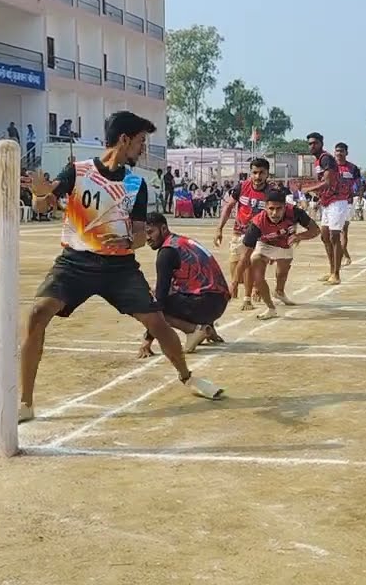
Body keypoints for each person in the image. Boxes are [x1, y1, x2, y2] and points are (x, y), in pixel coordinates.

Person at [19, 111, 222, 422]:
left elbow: (141, 234)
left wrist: (127, 243)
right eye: (141, 141)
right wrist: (38, 191)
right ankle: (26, 403)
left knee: (157, 323)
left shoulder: (136, 183)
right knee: (37, 313)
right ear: (125, 139)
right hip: (75, 262)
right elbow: (43, 206)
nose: (143, 148)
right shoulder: (78, 171)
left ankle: (187, 377)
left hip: (120, 269)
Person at [138, 213, 230, 357]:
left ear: (163, 229)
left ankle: (193, 330)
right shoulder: (181, 241)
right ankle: (208, 328)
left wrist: (148, 339)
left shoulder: (166, 253)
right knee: (171, 289)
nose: (147, 238)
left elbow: (160, 299)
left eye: (150, 232)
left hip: (205, 305)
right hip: (220, 303)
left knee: (152, 302)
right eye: (144, 234)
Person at [239, 189, 320, 320]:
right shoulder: (257, 223)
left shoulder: (295, 212)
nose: (275, 213)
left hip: (284, 243)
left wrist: (299, 236)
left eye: (279, 209)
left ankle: (279, 292)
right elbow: (245, 257)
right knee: (256, 267)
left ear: (285, 206)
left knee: (282, 272)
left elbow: (315, 230)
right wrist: (234, 283)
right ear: (265, 207)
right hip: (265, 244)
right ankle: (270, 308)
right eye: (271, 208)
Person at [214, 157, 277, 310]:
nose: (257, 176)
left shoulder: (271, 192)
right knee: (237, 270)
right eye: (254, 172)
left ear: (267, 174)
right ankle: (256, 283)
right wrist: (219, 228)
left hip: (258, 236)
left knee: (247, 262)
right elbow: (229, 207)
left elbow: (276, 217)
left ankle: (247, 298)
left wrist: (274, 244)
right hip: (238, 231)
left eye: (261, 173)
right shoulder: (241, 187)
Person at [301, 131, 349, 285]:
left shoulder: (326, 158)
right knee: (324, 236)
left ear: (321, 143)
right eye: (309, 143)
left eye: (314, 143)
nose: (311, 146)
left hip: (338, 201)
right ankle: (331, 271)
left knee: (335, 236)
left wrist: (309, 189)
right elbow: (323, 184)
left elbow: (327, 182)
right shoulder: (317, 162)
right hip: (328, 202)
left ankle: (336, 274)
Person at [332, 142, 363, 265]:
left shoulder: (353, 168)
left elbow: (360, 184)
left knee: (343, 230)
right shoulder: (331, 167)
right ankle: (344, 255)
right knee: (332, 232)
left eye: (341, 151)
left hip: (347, 202)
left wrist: (360, 196)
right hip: (332, 202)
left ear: (346, 153)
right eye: (337, 151)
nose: (339, 153)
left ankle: (343, 255)